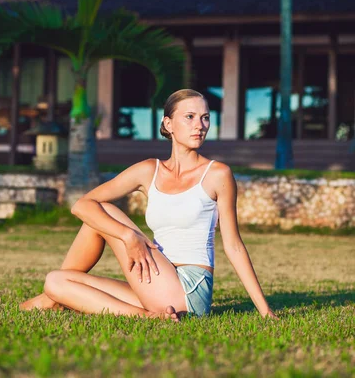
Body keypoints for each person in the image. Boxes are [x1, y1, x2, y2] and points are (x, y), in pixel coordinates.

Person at [20, 89, 279, 322]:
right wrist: (127, 235)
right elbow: (81, 205)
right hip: (156, 280)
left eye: (205, 118)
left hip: (189, 290)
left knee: (107, 210)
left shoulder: (217, 174)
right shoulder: (149, 170)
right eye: (189, 117)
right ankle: (71, 300)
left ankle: (70, 303)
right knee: (56, 279)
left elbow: (233, 245)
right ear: (168, 124)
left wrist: (264, 310)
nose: (199, 125)